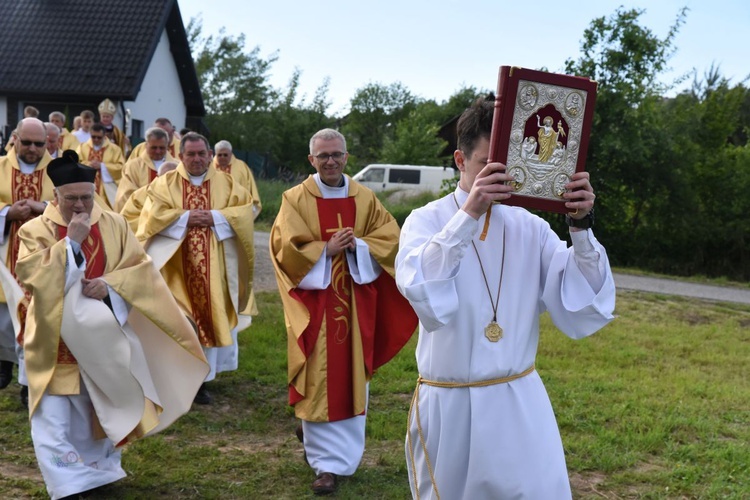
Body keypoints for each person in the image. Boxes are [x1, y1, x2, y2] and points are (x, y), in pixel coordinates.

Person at [395, 97, 616, 499]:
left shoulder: (529, 227)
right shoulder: (427, 220)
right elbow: (423, 291)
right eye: (486, 166)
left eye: (508, 167)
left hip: (519, 403)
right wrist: (469, 217)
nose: (500, 178)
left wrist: (580, 227)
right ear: (460, 161)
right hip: (452, 405)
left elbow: (581, 301)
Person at [15, 150, 209, 499]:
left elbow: (139, 268)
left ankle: (98, 473)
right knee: (53, 416)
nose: (79, 207)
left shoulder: (115, 224)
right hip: (53, 338)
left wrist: (112, 285)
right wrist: (70, 242)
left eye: (86, 198)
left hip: (103, 339)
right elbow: (30, 275)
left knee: (101, 407)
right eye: (70, 199)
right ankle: (68, 482)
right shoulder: (35, 229)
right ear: (55, 196)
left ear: (95, 193)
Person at [270, 128, 417, 495]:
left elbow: (391, 238)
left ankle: (343, 458)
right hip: (316, 307)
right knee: (319, 381)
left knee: (352, 379)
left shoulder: (364, 198)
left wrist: (359, 247)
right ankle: (324, 466)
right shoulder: (295, 199)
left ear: (347, 157)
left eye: (336, 154)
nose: (331, 161)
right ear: (311, 160)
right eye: (323, 156)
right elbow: (284, 246)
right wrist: (325, 249)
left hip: (355, 307)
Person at [136, 132, 255, 406]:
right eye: (191, 154)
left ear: (210, 155)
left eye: (202, 153)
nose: (197, 158)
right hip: (175, 267)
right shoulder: (164, 184)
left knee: (208, 317)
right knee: (178, 321)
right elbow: (151, 216)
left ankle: (202, 382)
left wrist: (214, 217)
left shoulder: (227, 184)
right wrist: (187, 217)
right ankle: (173, 378)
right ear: (180, 156)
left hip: (214, 269)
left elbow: (244, 212)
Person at [0, 118, 55, 403]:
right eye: (27, 142)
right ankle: (6, 363)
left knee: (36, 323)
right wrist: (7, 213)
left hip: (43, 261)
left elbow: (74, 203)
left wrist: (42, 208)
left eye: (39, 144)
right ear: (15, 140)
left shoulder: (58, 172)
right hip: (5, 257)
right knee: (5, 322)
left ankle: (27, 382)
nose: (33, 149)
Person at [114, 127, 173, 212]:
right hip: (140, 214)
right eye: (154, 147)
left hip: (169, 215)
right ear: (146, 145)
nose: (158, 151)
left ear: (167, 146)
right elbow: (126, 195)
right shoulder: (133, 166)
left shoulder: (176, 166)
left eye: (162, 148)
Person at [76, 122, 126, 208]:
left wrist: (103, 166)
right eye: (93, 137)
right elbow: (75, 163)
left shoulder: (114, 149)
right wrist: (89, 165)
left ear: (104, 136)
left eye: (99, 137)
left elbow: (121, 167)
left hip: (106, 191)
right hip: (85, 187)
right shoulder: (82, 147)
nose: (96, 139)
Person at [120, 161, 178, 234]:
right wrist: (155, 224)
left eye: (173, 178)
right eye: (165, 178)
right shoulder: (140, 194)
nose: (168, 182)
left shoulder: (184, 195)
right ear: (157, 176)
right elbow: (127, 220)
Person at [212, 140, 262, 220]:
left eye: (225, 155)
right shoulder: (209, 167)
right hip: (214, 212)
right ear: (215, 154)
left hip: (236, 212)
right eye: (219, 155)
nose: (222, 157)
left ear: (231, 154)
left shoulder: (242, 168)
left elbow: (250, 189)